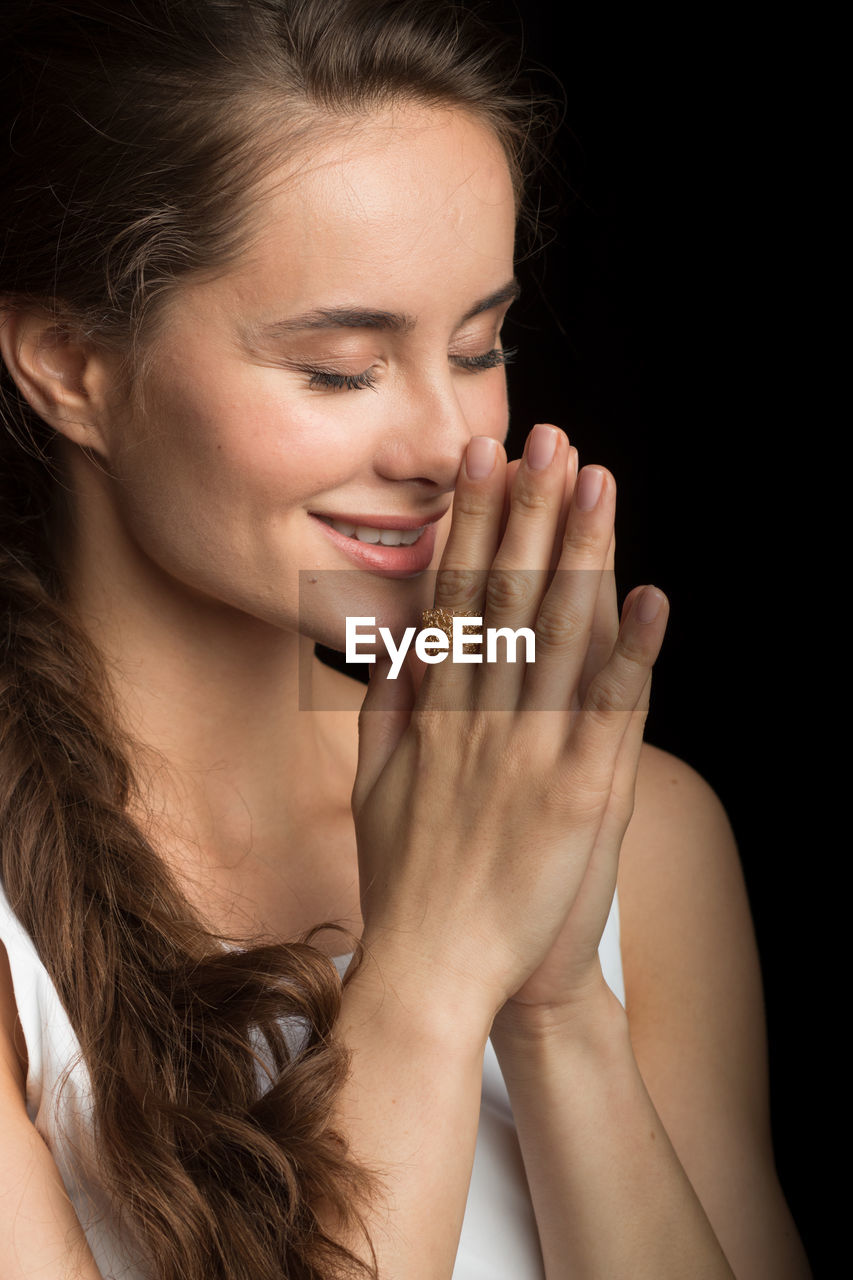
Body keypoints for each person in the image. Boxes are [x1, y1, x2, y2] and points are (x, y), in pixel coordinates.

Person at [0, 2, 811, 1277]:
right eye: (340, 367)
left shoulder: (639, 836)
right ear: (69, 363)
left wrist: (556, 1007)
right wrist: (431, 968)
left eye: (479, 344)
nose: (449, 445)